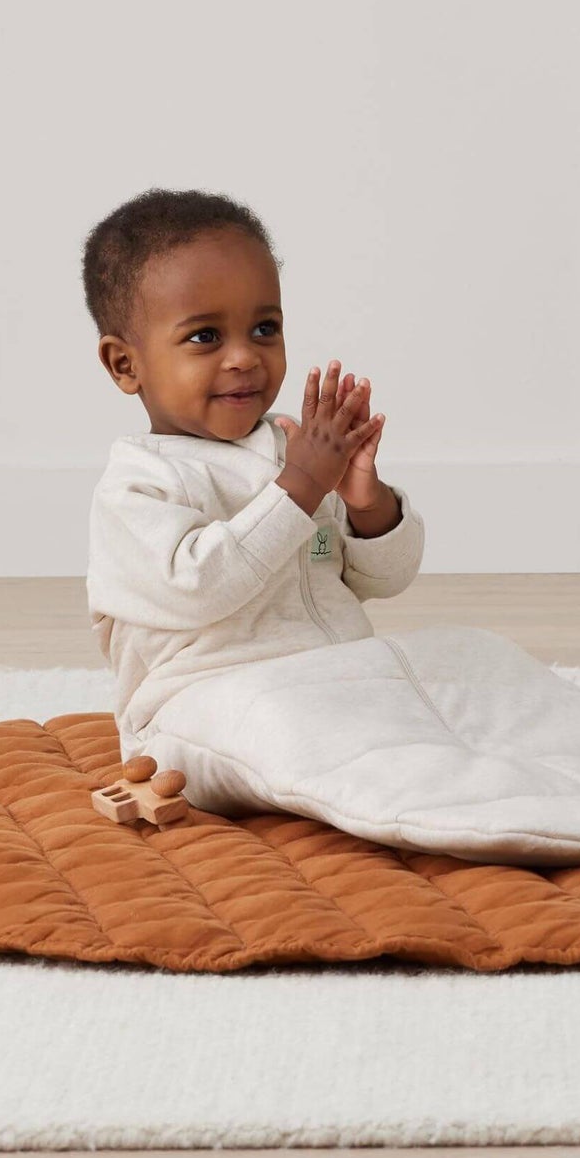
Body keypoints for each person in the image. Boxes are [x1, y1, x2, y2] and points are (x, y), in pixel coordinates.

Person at [81, 187, 426, 757]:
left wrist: (367, 506)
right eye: (204, 336)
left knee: (462, 658)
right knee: (304, 728)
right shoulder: (137, 487)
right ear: (126, 364)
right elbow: (200, 588)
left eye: (264, 328)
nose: (244, 356)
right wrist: (301, 488)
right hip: (199, 712)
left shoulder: (296, 448)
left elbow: (384, 582)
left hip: (333, 683)